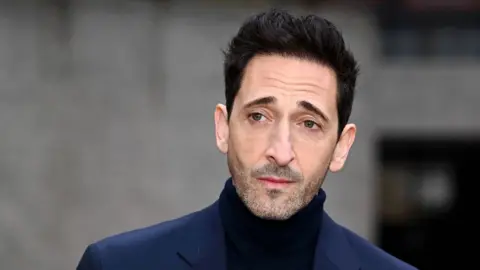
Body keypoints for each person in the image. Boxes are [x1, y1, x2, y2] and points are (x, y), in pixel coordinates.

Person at [77, 8, 417, 270]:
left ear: (342, 147)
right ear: (223, 127)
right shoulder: (117, 265)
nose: (280, 152)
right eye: (258, 116)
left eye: (309, 123)